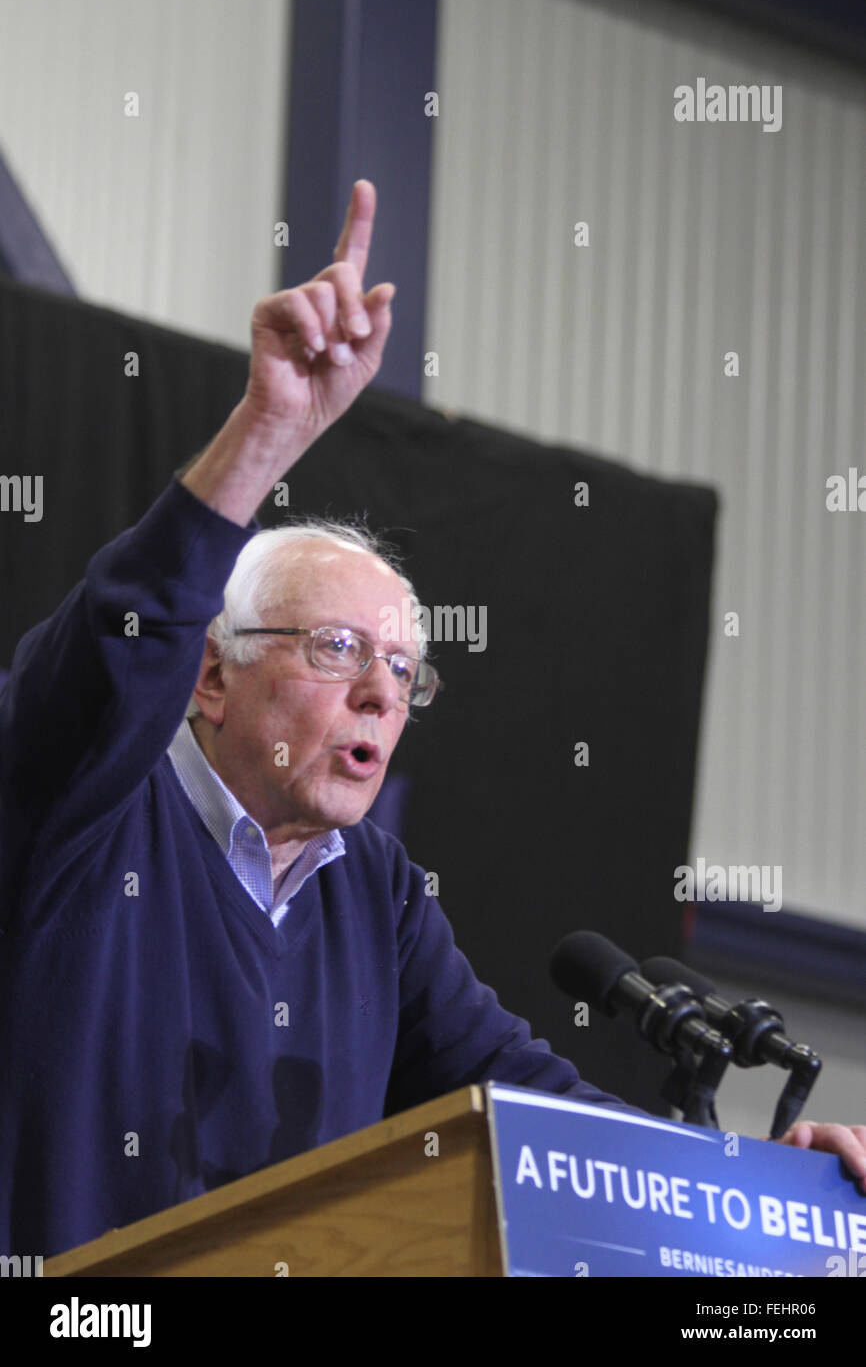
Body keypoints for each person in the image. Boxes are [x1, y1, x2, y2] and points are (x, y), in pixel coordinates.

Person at [0, 182, 863, 1263]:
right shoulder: (84, 807)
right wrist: (267, 428)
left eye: (404, 671)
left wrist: (769, 1185)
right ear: (209, 679)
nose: (378, 693)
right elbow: (119, 635)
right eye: (337, 650)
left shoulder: (377, 895)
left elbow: (544, 1120)